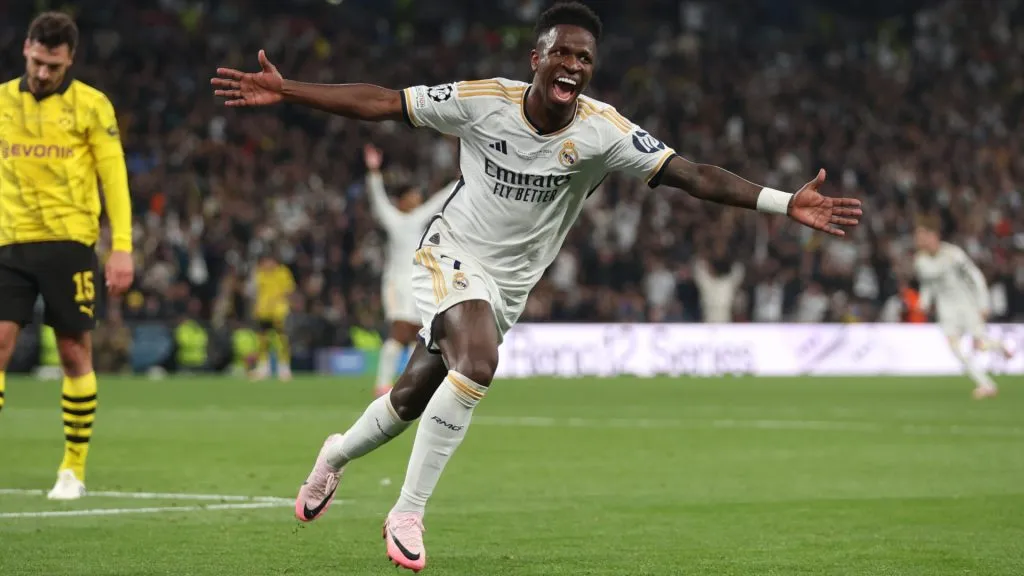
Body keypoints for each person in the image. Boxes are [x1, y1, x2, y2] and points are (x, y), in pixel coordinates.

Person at [212, 2, 862, 570]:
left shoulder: (603, 132)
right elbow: (385, 102)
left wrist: (784, 203)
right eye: (563, 53)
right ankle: (407, 512)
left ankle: (335, 454)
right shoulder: (481, 102)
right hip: (450, 255)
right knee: (479, 360)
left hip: (510, 289)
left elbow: (692, 174)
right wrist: (290, 91)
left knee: (410, 397)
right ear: (537, 58)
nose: (574, 66)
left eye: (585, 57)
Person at [0, 11, 134, 500]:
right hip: (8, 242)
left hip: (70, 244)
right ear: (26, 50)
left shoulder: (92, 106)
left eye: (52, 66)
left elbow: (114, 178)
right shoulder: (0, 103)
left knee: (75, 352)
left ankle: (72, 469)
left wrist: (122, 246)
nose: (42, 73)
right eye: (37, 62)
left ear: (69, 60)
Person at [362, 144, 458, 397]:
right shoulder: (393, 218)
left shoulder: (418, 219)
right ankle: (382, 383)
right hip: (396, 282)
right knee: (399, 330)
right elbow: (377, 198)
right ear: (403, 200)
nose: (418, 199)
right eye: (413, 195)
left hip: (419, 282)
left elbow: (439, 201)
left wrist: (460, 181)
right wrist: (373, 172)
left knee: (417, 333)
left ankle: (411, 381)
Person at [913, 216, 1012, 399]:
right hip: (946, 310)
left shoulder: (953, 254)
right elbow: (928, 285)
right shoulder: (920, 261)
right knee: (955, 348)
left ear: (932, 235)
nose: (918, 241)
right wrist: (924, 303)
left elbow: (975, 276)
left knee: (979, 344)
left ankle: (999, 346)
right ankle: (986, 384)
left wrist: (983, 303)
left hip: (966, 304)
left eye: (921, 236)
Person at [250, 253, 296, 381]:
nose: (266, 264)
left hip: (279, 312)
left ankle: (284, 369)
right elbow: (256, 292)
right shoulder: (260, 274)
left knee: (281, 340)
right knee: (263, 341)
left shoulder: (283, 273)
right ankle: (263, 368)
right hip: (263, 311)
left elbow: (289, 291)